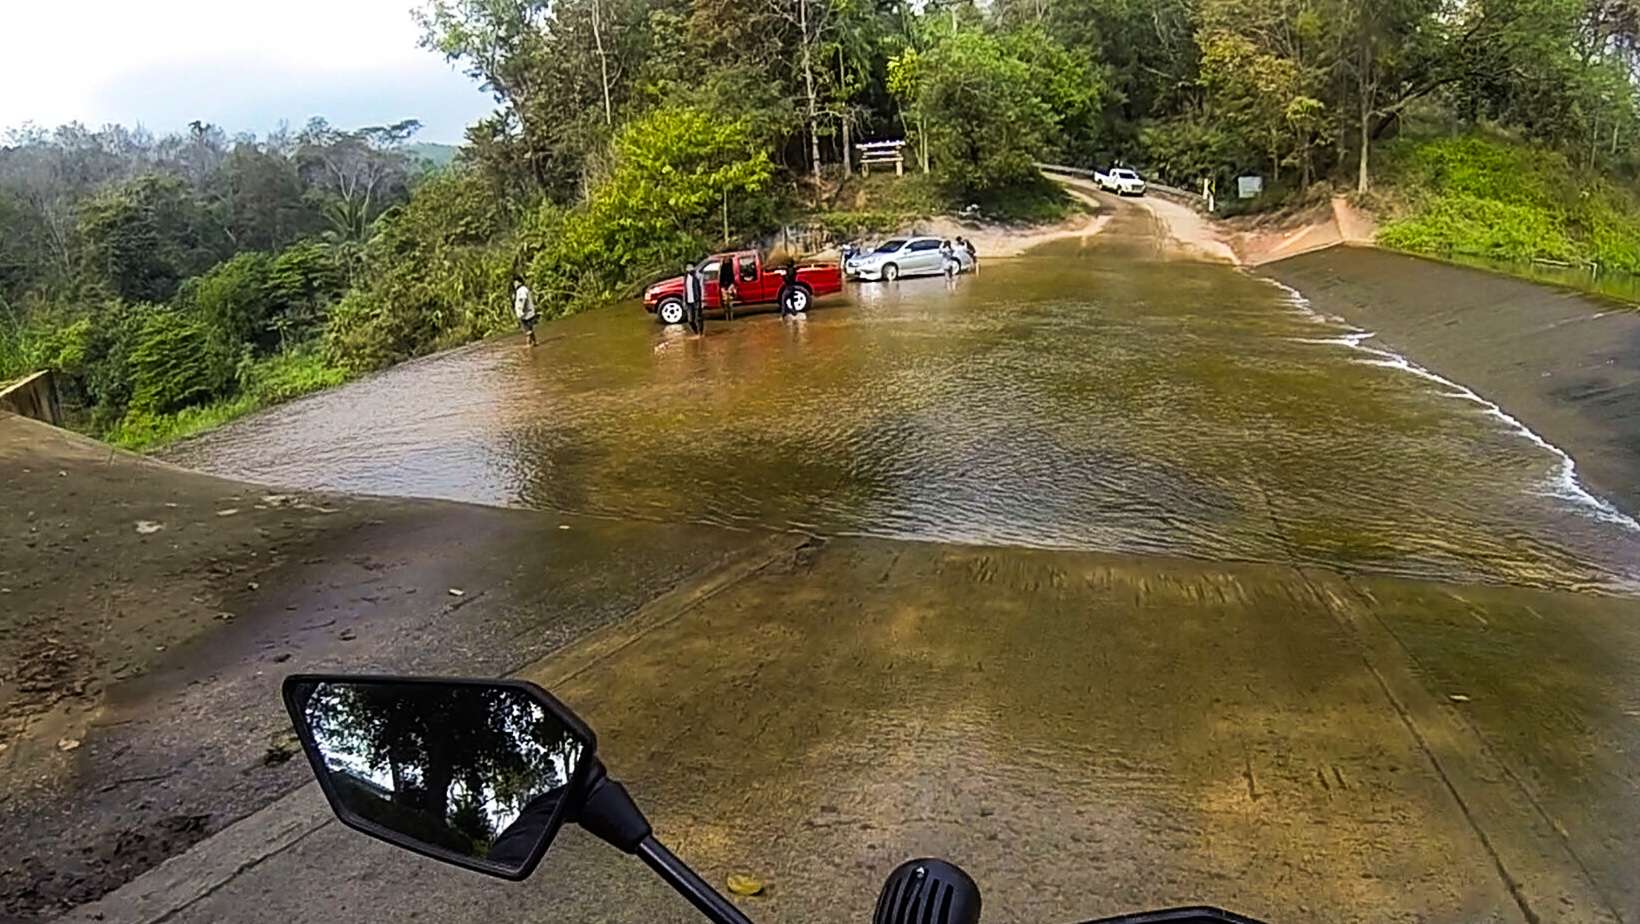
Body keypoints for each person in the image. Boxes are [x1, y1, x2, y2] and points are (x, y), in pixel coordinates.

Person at [512, 275, 538, 347]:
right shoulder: (521, 290)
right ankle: (534, 342)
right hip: (528, 313)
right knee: (530, 329)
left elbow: (522, 300)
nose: (514, 284)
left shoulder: (522, 290)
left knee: (527, 330)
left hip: (526, 314)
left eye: (515, 282)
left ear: (519, 282)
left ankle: (528, 344)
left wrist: (520, 311)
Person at [682, 262, 704, 335]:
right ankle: (696, 333)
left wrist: (702, 300)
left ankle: (701, 334)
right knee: (690, 320)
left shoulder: (698, 276)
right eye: (688, 267)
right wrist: (684, 301)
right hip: (689, 301)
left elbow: (702, 288)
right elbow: (685, 290)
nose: (689, 268)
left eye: (690, 267)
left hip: (697, 300)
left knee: (699, 318)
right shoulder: (685, 277)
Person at [718, 257, 737, 322]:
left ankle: (731, 318)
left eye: (727, 260)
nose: (726, 261)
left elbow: (733, 279)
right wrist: (722, 288)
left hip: (730, 287)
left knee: (730, 304)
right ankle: (727, 318)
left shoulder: (731, 268)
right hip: (724, 287)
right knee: (726, 304)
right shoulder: (722, 269)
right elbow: (720, 280)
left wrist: (730, 287)